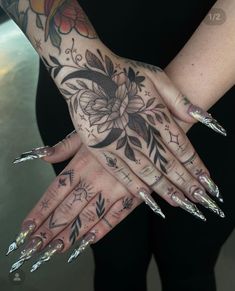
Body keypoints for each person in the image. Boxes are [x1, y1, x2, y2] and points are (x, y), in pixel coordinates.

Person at [1, 0, 235, 290]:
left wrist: (146, 112)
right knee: (117, 261)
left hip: (219, 79)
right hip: (79, 96)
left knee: (191, 262)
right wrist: (82, 67)